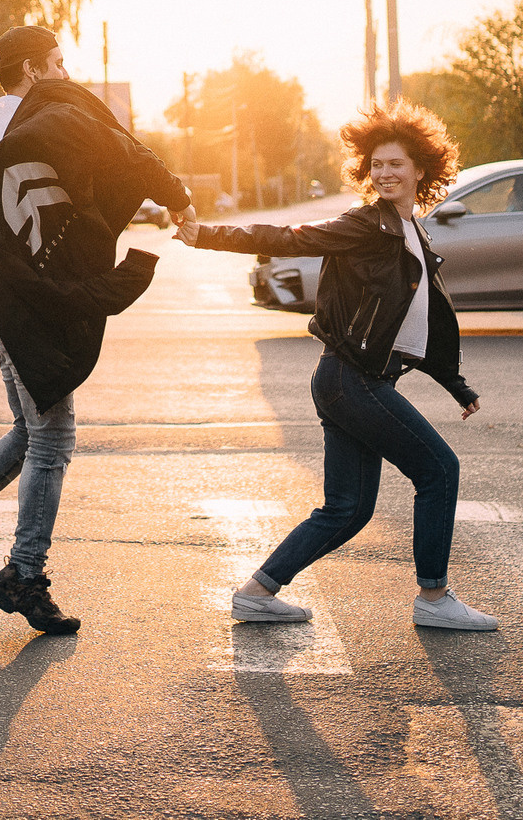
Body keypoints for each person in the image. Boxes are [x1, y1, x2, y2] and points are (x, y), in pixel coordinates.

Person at [0, 28, 194, 635]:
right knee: (53, 439)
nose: (65, 71)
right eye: (58, 61)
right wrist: (27, 272)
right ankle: (22, 574)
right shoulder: (55, 117)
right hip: (30, 315)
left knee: (30, 431)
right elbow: (127, 159)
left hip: (7, 309)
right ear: (33, 68)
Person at [177, 100, 496, 633]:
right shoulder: (365, 225)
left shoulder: (410, 230)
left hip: (352, 380)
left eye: (396, 163)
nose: (385, 173)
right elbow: (288, 239)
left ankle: (257, 593)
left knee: (347, 509)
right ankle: (434, 597)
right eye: (377, 165)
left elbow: (423, 322)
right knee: (439, 471)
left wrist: (456, 386)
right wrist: (206, 233)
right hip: (352, 379)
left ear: (421, 168)